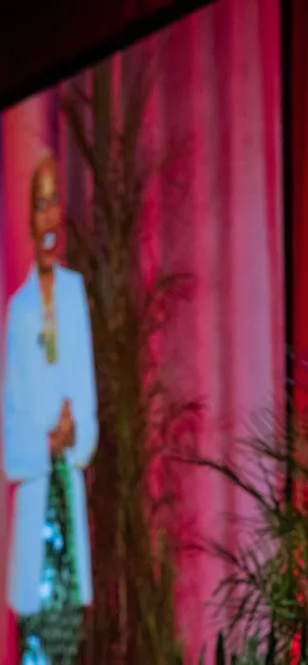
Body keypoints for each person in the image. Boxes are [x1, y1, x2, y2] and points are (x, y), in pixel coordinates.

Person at [3, 154, 97, 664]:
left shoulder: (75, 295)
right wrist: (45, 442)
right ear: (28, 217)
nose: (48, 215)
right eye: (39, 204)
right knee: (35, 644)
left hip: (68, 490)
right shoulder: (16, 312)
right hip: (36, 495)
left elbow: (87, 403)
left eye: (54, 201)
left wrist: (71, 433)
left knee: (69, 643)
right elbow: (9, 436)